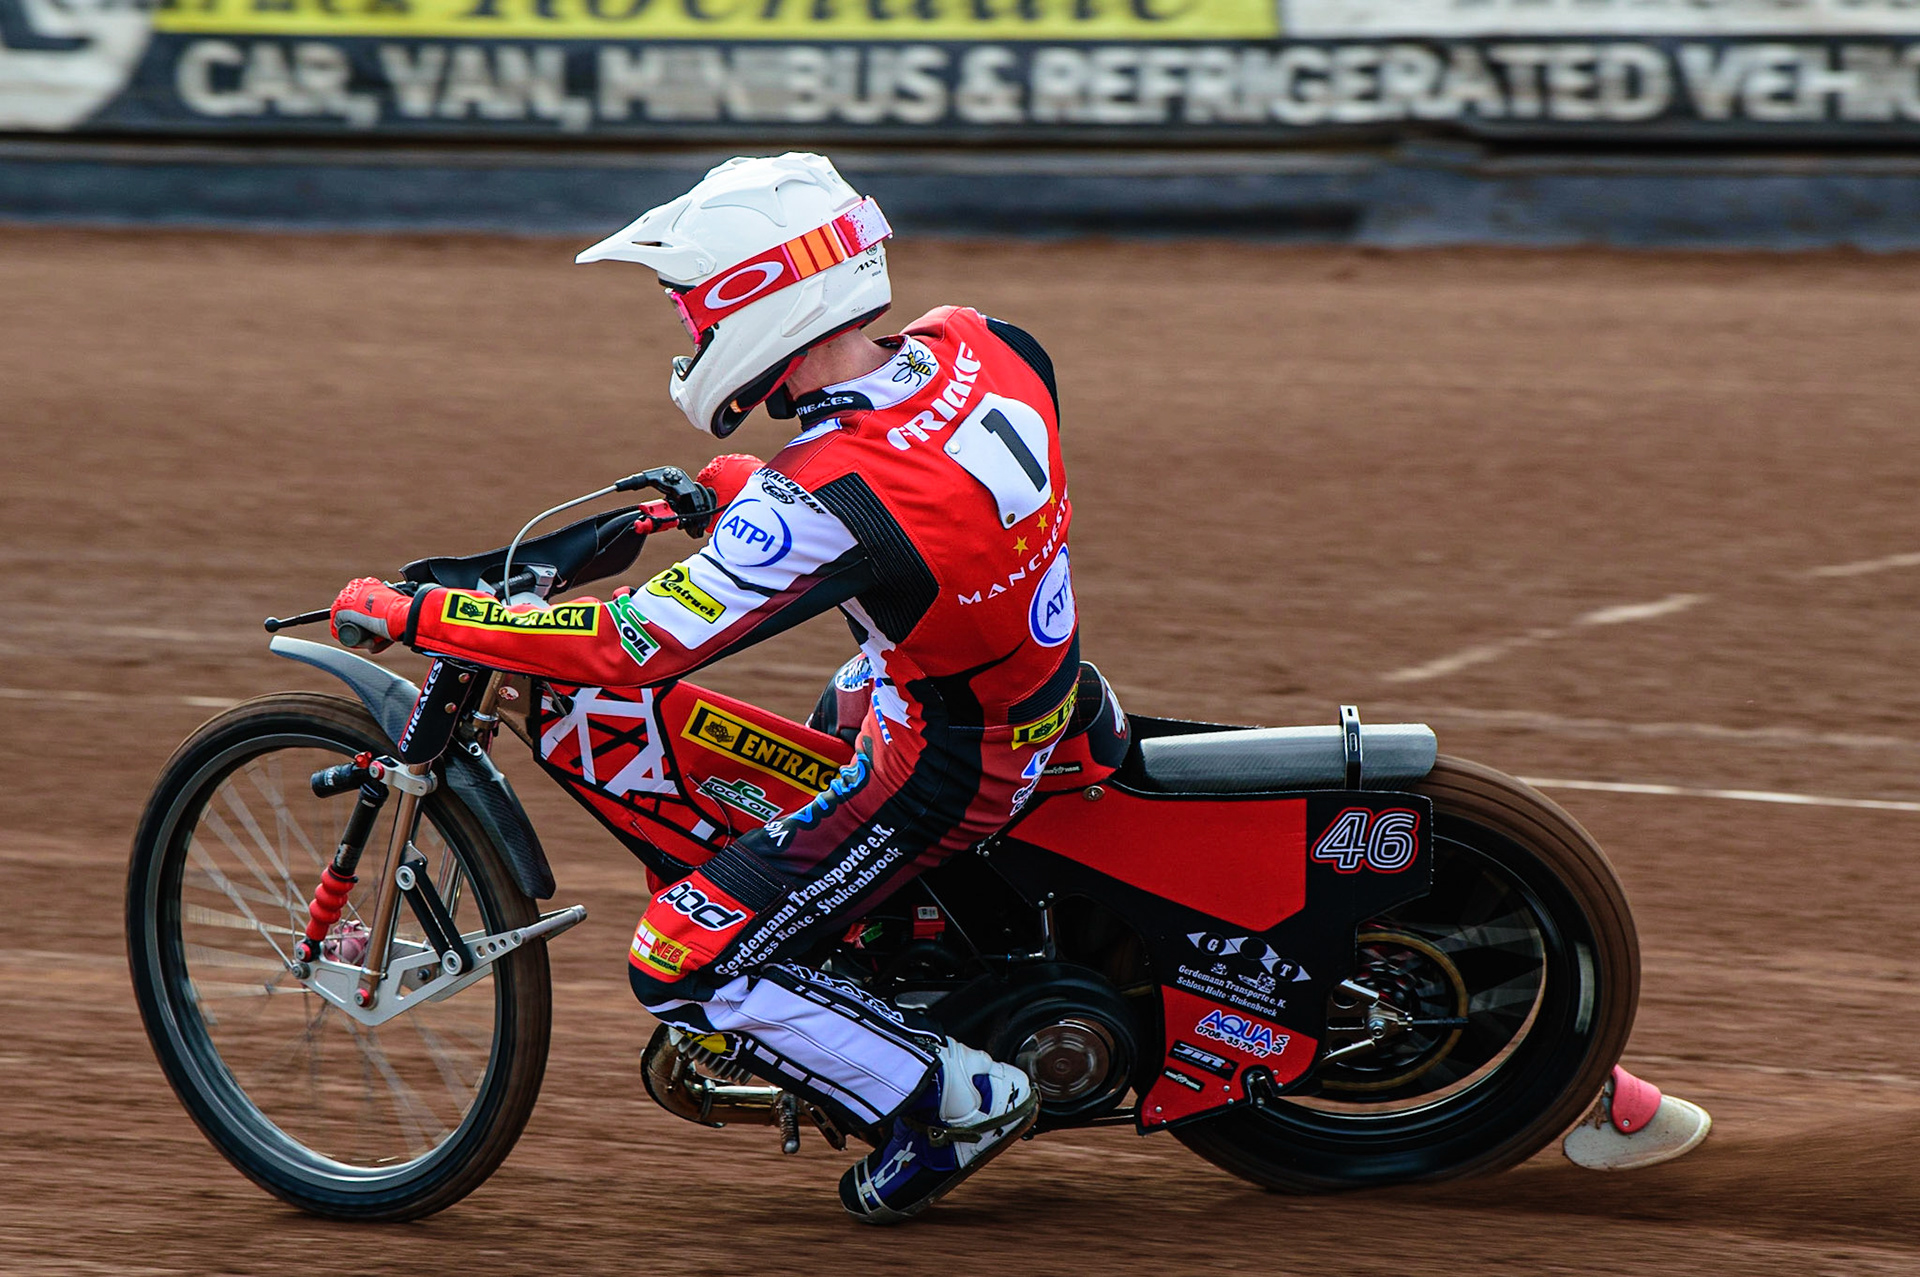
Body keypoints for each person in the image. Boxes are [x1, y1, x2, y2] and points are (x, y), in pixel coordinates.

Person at [328, 153, 1079, 1224]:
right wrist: (740, 490)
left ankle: (951, 1098)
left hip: (952, 756)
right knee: (809, 757)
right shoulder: (986, 343)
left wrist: (419, 613)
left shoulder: (826, 494)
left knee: (682, 951)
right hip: (1014, 677)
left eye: (687, 306)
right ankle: (862, 978)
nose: (683, 331)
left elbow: (636, 642)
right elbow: (918, 488)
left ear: (762, 294)